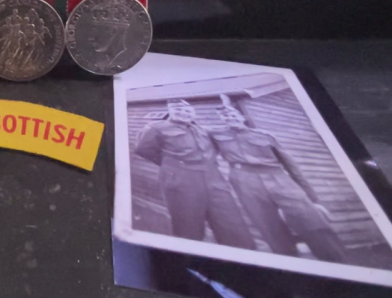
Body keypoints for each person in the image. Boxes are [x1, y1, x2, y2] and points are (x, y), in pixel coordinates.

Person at [208, 103, 348, 263]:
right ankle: (289, 263)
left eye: (233, 115)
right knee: (267, 224)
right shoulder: (215, 134)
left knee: (308, 217)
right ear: (221, 120)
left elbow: (291, 165)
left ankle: (335, 259)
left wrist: (314, 199)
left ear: (242, 118)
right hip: (244, 180)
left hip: (278, 177)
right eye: (225, 116)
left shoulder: (265, 135)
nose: (230, 118)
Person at [133, 100, 255, 248]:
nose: (184, 113)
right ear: (170, 111)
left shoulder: (203, 130)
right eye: (178, 110)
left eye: (187, 110)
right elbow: (143, 149)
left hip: (213, 178)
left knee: (231, 221)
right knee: (188, 226)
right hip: (182, 181)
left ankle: (241, 254)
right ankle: (189, 258)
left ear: (193, 113)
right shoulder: (157, 128)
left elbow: (213, 149)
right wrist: (172, 165)